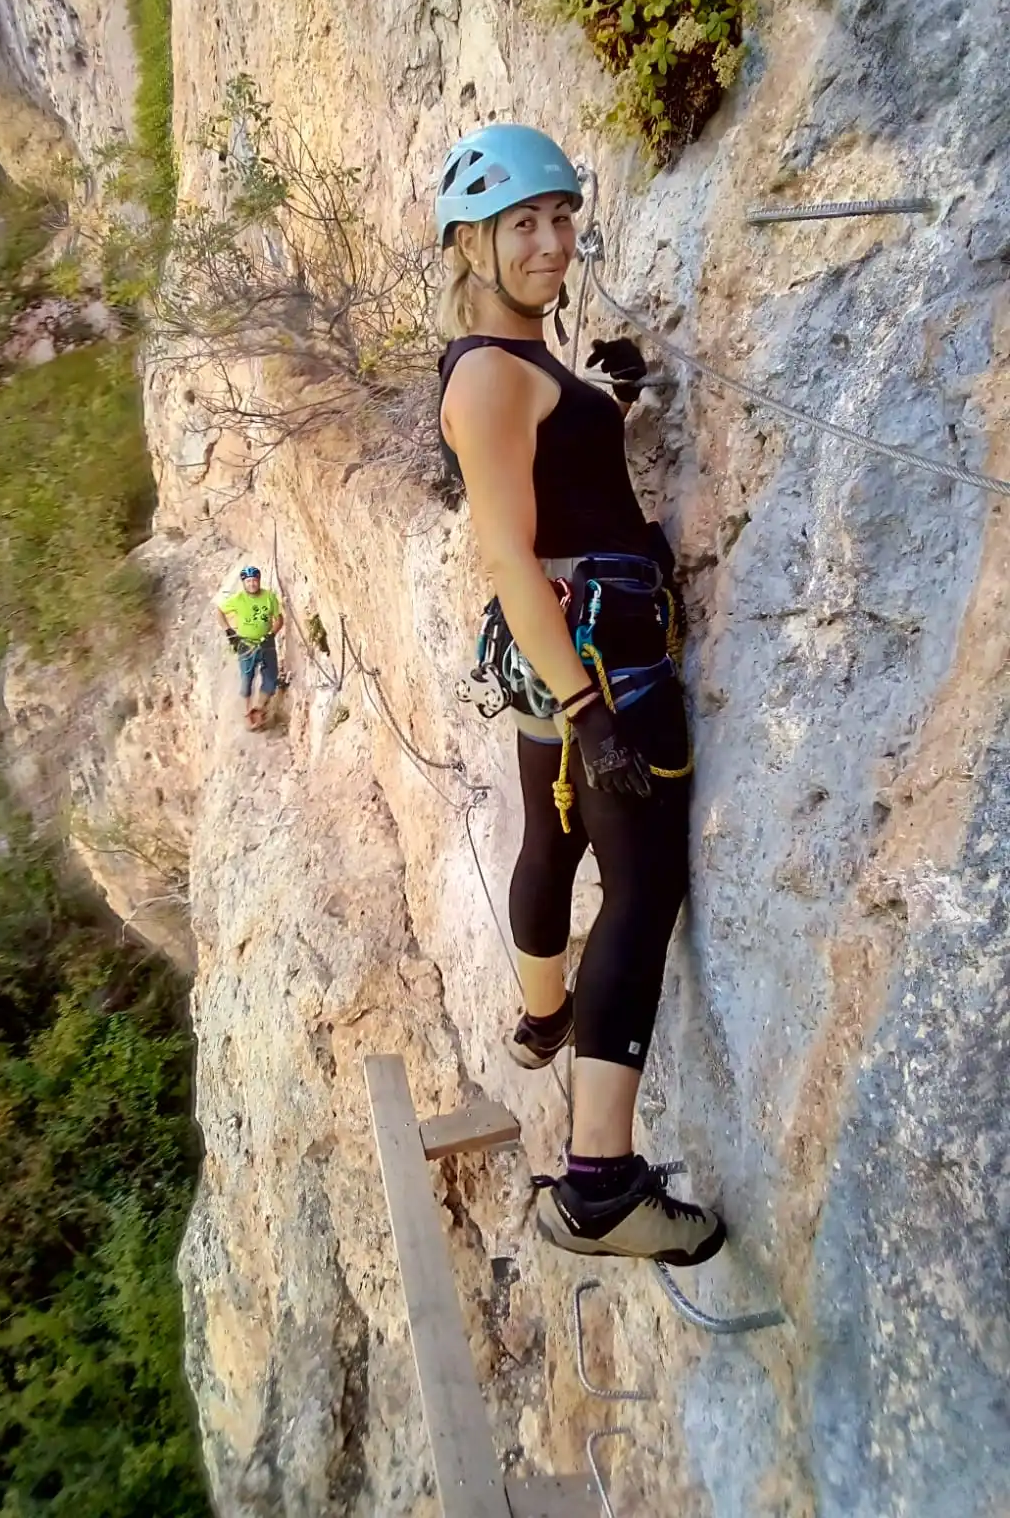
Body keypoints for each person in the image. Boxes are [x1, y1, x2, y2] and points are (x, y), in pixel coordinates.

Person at [436, 123, 724, 1266]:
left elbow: (555, 486)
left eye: (562, 217)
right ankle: (600, 1183)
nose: (553, 242)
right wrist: (590, 710)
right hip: (600, 665)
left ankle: (542, 1013)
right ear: (470, 243)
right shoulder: (491, 376)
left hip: (562, 652)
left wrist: (609, 398)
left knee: (551, 842)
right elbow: (505, 552)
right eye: (523, 224)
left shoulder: (514, 363)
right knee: (641, 887)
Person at [217, 566, 285, 730]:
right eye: (248, 581)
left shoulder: (269, 597)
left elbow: (279, 619)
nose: (252, 584)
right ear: (244, 583)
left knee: (270, 678)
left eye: (254, 580)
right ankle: (247, 713)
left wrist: (271, 634)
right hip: (246, 644)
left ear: (259, 581)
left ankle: (259, 709)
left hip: (266, 643)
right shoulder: (238, 599)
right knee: (247, 678)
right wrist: (229, 632)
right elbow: (219, 611)